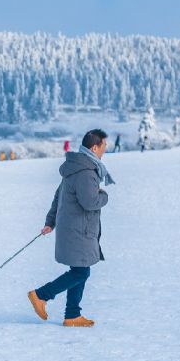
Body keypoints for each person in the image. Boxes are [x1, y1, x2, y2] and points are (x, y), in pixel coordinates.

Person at [28, 129, 114, 327]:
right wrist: (104, 196)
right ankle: (40, 295)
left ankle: (72, 315)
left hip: (73, 228)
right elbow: (90, 202)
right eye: (104, 146)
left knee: (80, 268)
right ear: (94, 147)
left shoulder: (75, 167)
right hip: (79, 230)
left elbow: (59, 196)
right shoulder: (86, 172)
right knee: (81, 272)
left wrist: (50, 222)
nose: (105, 149)